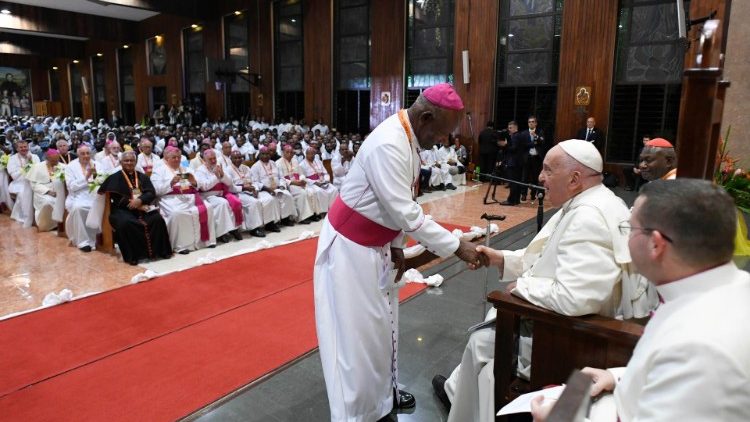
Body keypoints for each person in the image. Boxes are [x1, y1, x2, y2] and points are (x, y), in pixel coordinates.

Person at [434, 139, 656, 422]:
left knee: (481, 342)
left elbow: (576, 298)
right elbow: (543, 257)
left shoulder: (589, 216)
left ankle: (466, 410)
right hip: (572, 328)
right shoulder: (593, 201)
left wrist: (522, 288)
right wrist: (501, 258)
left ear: (575, 179)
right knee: (481, 340)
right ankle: (458, 396)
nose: (540, 177)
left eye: (548, 170)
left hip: (575, 338)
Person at [314, 83, 486, 422]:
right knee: (354, 343)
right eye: (439, 134)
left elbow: (399, 201)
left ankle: (382, 400)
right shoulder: (389, 143)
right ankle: (356, 414)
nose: (440, 142)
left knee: (381, 333)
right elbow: (407, 214)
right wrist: (458, 247)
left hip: (376, 248)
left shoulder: (409, 135)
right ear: (425, 117)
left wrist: (396, 248)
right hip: (350, 253)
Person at [531, 179, 750, 422]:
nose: (626, 239)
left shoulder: (700, 347)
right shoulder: (728, 287)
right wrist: (618, 377)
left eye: (629, 230)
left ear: (656, 244)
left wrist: (561, 419)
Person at [97, 151, 172, 265]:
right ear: (121, 163)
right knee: (126, 223)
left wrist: (140, 201)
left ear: (135, 162)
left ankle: (161, 252)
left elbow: (151, 192)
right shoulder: (114, 178)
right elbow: (115, 198)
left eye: (132, 160)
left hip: (142, 206)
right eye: (126, 161)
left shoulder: (142, 177)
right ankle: (134, 256)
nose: (129, 163)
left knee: (157, 219)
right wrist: (133, 203)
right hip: (122, 209)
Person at [150, 146, 216, 254]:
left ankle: (205, 241)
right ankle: (181, 245)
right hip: (169, 199)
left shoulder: (186, 169)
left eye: (179, 157)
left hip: (189, 197)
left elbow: (198, 184)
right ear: (166, 158)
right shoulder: (159, 170)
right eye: (174, 157)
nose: (177, 159)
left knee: (208, 207)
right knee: (177, 213)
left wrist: (194, 181)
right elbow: (156, 190)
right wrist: (170, 183)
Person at [195, 149, 244, 243]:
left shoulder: (220, 166)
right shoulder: (200, 170)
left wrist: (222, 174)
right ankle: (222, 233)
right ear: (204, 160)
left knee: (235, 201)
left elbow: (229, 183)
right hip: (208, 196)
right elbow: (204, 187)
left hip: (222, 193)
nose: (213, 161)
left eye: (214, 158)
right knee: (222, 204)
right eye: (210, 159)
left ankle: (234, 229)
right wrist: (217, 177)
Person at [227, 150, 278, 236]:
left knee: (268, 199)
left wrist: (256, 189)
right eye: (235, 158)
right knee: (253, 203)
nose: (238, 159)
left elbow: (254, 181)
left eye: (239, 157)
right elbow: (230, 187)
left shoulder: (246, 168)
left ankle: (269, 224)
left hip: (252, 190)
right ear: (231, 159)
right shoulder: (228, 170)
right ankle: (254, 228)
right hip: (238, 193)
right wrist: (243, 188)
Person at [64, 145, 99, 252]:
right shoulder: (70, 167)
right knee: (79, 208)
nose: (86, 156)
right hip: (78, 195)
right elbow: (71, 186)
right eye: (83, 154)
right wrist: (86, 177)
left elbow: (104, 178)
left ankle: (100, 238)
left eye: (88, 153)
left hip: (96, 194)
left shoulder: (97, 164)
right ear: (78, 154)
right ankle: (83, 242)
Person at [27, 148, 66, 232]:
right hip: (43, 192)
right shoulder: (37, 167)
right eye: (52, 161)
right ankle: (47, 225)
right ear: (47, 159)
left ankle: (60, 224)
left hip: (60, 191)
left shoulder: (63, 166)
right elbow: (34, 184)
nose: (55, 163)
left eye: (56, 160)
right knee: (47, 202)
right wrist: (48, 191)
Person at [8, 139, 40, 227]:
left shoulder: (35, 157)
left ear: (28, 147)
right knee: (24, 192)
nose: (23, 149)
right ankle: (27, 217)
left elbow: (39, 171)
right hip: (18, 183)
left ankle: (38, 217)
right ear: (17, 149)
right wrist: (27, 165)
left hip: (34, 181)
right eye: (21, 147)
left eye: (25, 146)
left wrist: (30, 162)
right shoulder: (12, 159)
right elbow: (14, 175)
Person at [299, 147, 337, 217]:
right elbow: (303, 178)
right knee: (320, 192)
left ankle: (332, 209)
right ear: (306, 154)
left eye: (313, 154)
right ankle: (323, 212)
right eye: (310, 154)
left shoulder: (318, 161)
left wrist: (326, 180)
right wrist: (315, 183)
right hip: (312, 184)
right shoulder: (302, 164)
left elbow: (325, 172)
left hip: (323, 181)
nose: (312, 156)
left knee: (334, 189)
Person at [520, 115, 549, 203]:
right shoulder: (524, 133)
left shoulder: (540, 132)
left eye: (533, 122)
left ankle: (533, 194)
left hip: (537, 158)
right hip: (527, 158)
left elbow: (542, 142)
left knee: (535, 177)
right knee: (524, 177)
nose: (531, 123)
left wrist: (535, 136)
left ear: (536, 123)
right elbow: (523, 145)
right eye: (529, 122)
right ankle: (524, 194)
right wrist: (534, 143)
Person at [499, 121, 524, 206]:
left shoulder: (515, 136)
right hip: (518, 163)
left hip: (513, 163)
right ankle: (516, 200)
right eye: (508, 128)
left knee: (512, 182)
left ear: (515, 127)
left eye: (510, 128)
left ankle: (511, 200)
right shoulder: (519, 135)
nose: (509, 130)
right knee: (517, 182)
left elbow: (513, 149)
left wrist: (505, 145)